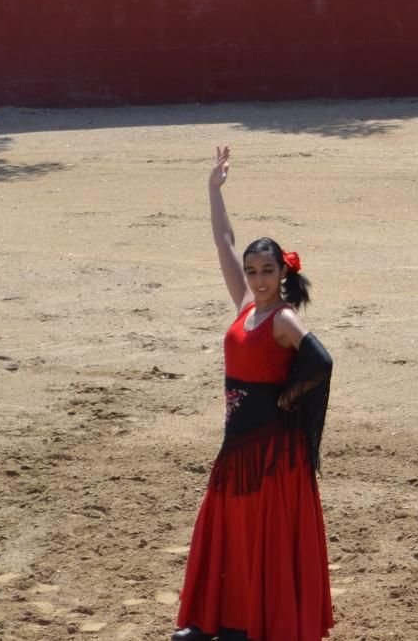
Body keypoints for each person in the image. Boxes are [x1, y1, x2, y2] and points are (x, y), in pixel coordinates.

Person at [173, 146, 334, 641]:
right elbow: (224, 243)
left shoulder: (284, 318)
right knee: (227, 527)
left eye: (267, 271)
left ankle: (248, 624)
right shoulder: (245, 306)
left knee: (257, 533)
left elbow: (322, 362)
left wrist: (290, 396)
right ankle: (216, 620)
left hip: (271, 448)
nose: (258, 280)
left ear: (282, 273)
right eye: (253, 272)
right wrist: (213, 191)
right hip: (238, 440)